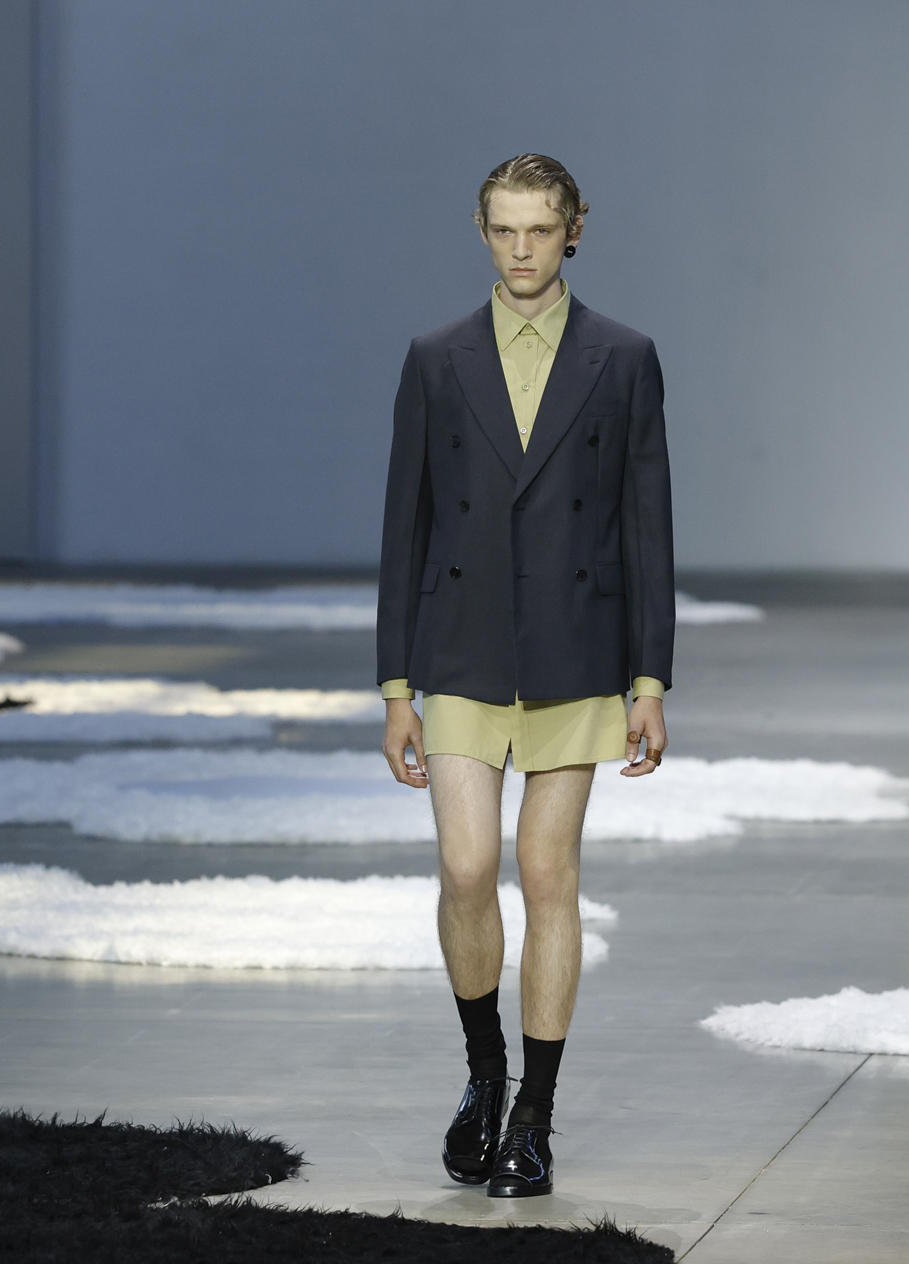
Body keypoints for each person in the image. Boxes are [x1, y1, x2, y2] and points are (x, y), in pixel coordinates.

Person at [377, 154, 674, 1198]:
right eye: (503, 230)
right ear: (481, 230)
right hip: (461, 645)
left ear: (574, 230)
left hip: (576, 650)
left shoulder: (623, 357)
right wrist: (395, 688)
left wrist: (650, 679)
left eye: (539, 230)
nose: (520, 250)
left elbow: (647, 524)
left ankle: (534, 1118)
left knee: (548, 875)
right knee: (466, 869)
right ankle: (484, 1071)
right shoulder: (435, 357)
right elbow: (406, 527)